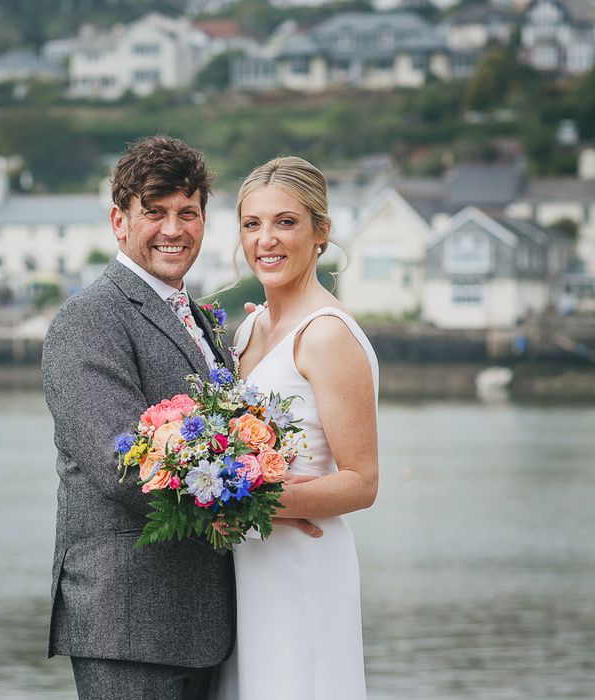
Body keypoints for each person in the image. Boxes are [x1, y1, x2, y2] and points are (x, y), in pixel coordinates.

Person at [41, 136, 236, 700]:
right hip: (126, 618)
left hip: (203, 616)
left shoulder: (199, 318)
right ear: (119, 220)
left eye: (187, 213)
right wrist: (239, 505)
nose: (173, 229)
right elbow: (119, 460)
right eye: (154, 212)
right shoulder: (88, 318)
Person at [214, 156, 379, 700]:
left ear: (320, 233)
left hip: (302, 564)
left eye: (285, 222)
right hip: (247, 565)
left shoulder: (327, 335)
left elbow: (362, 481)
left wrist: (247, 504)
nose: (266, 240)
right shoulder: (251, 326)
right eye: (252, 224)